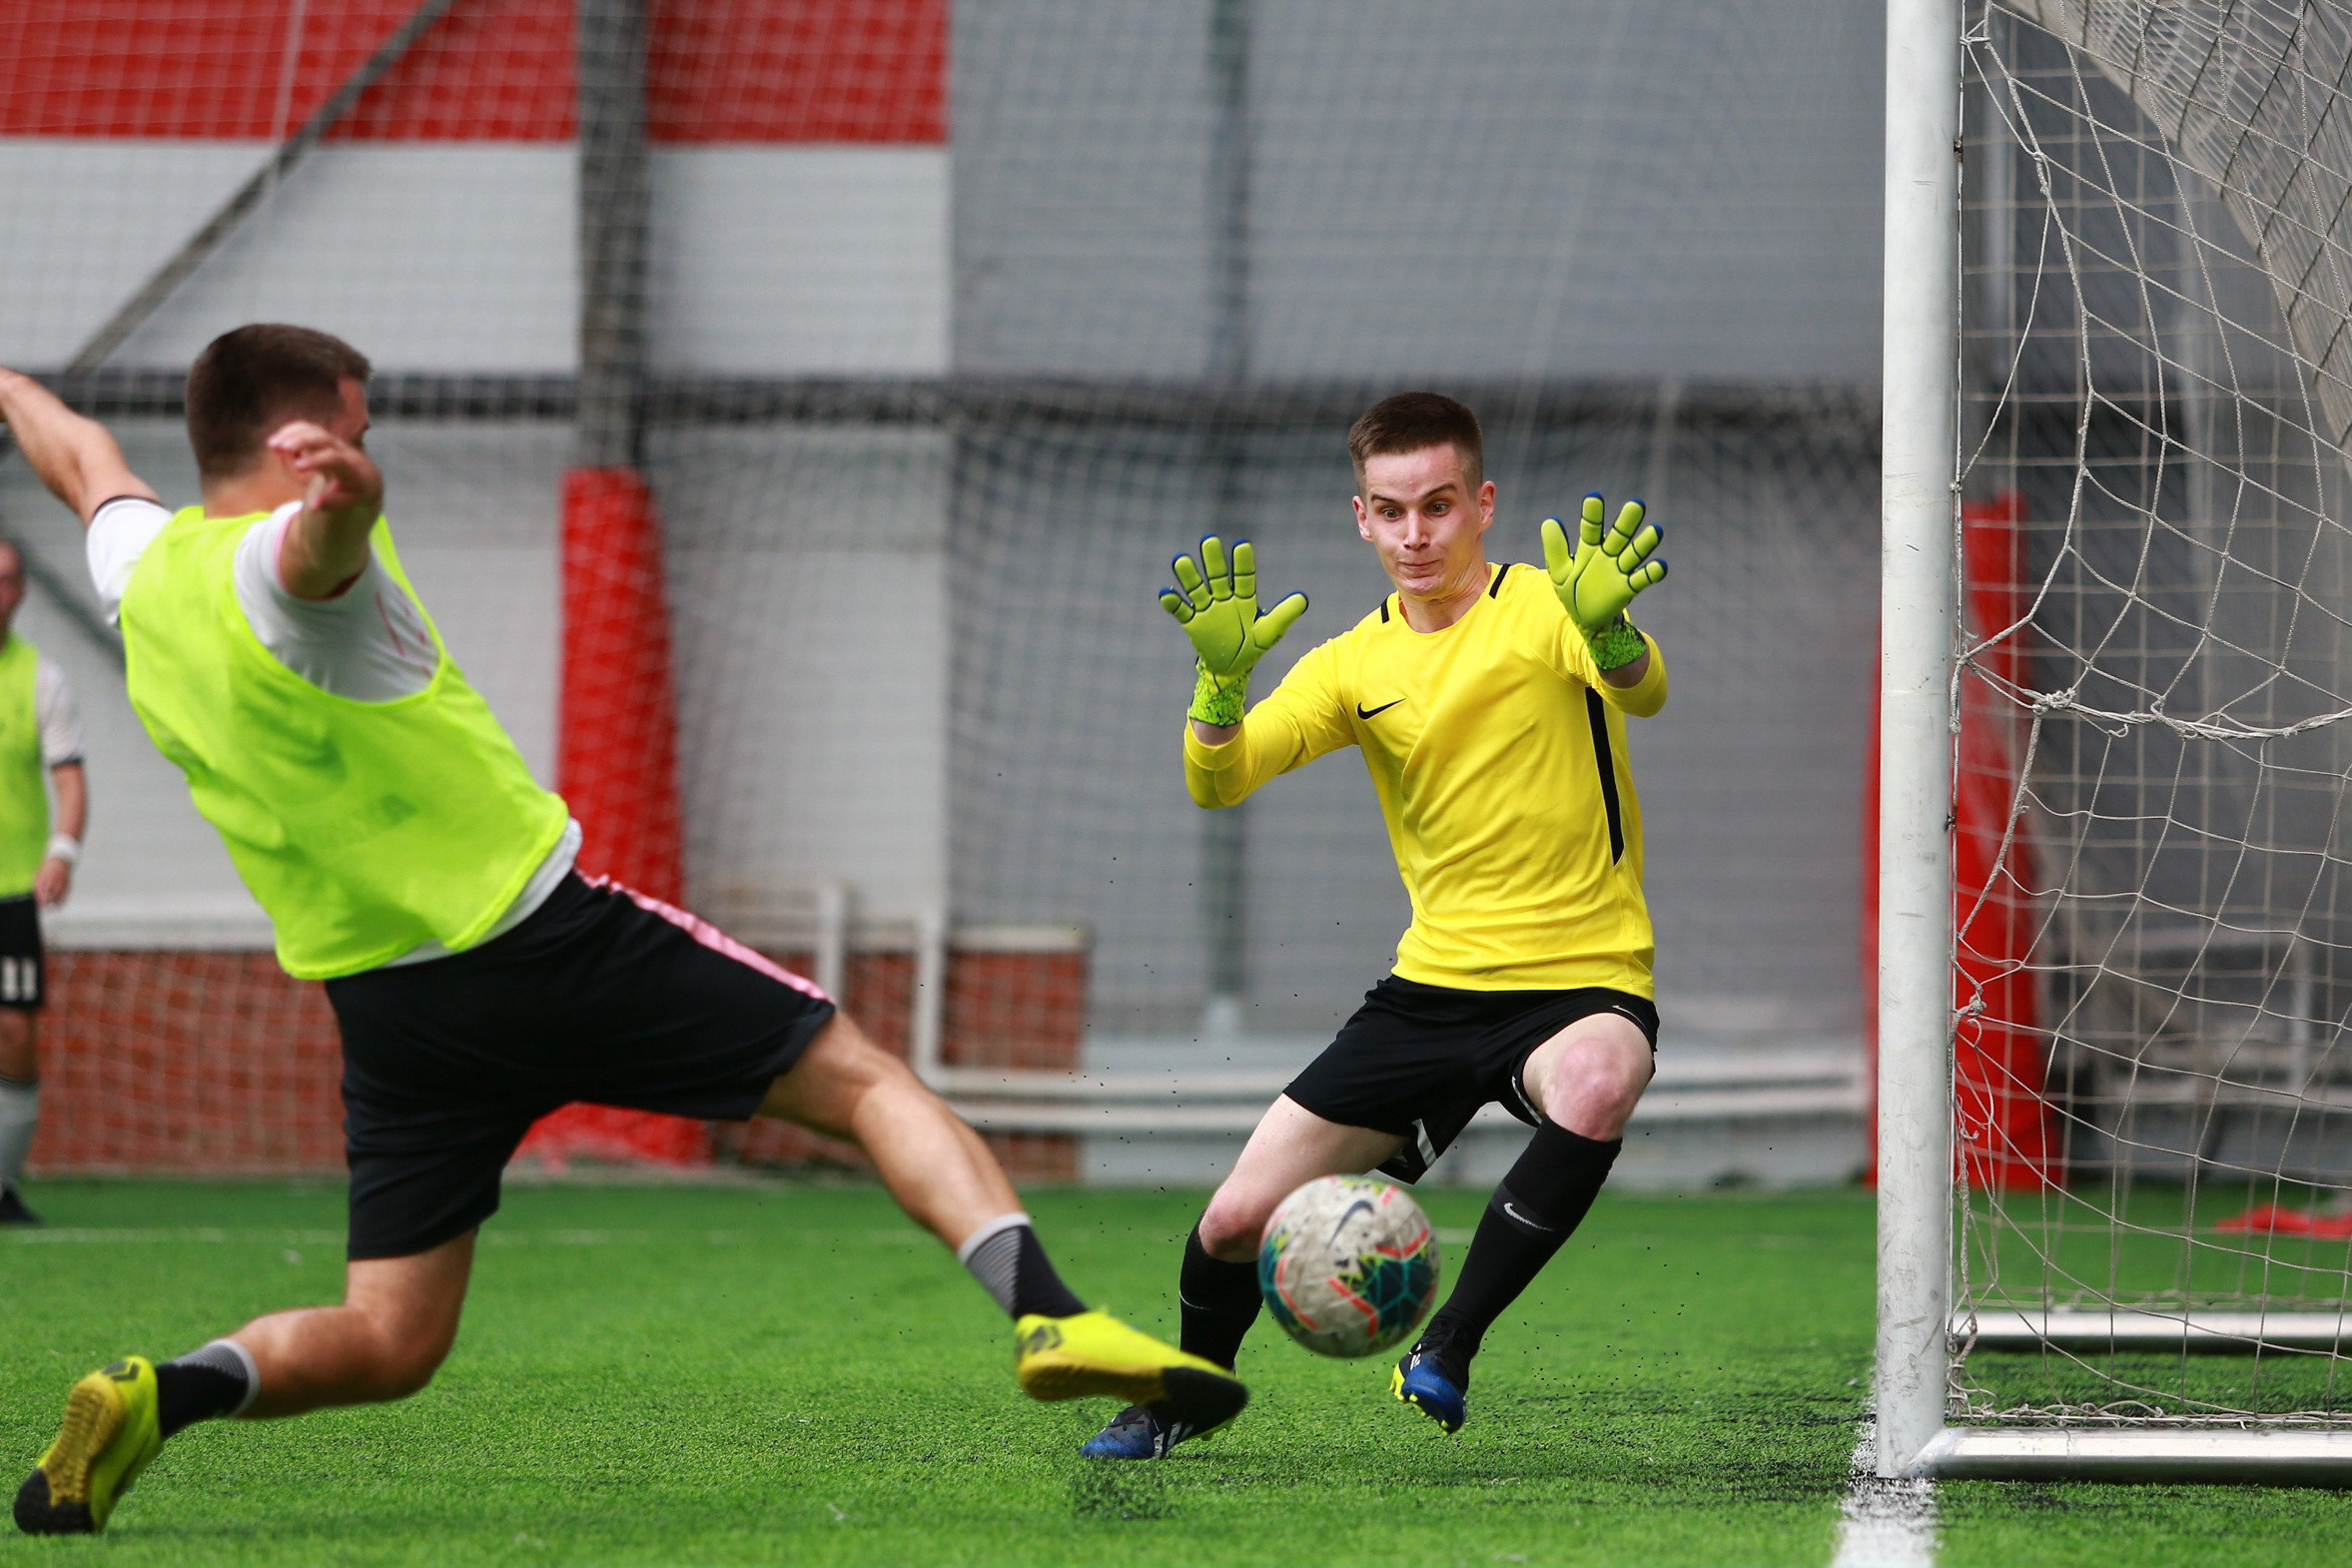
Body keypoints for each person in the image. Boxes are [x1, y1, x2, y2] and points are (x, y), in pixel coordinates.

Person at [0, 325, 1244, 1537]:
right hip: (549, 943)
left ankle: (160, 1393)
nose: (372, 449)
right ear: (306, 435)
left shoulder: (137, 566)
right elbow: (311, 558)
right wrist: (350, 502)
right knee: (866, 1082)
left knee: (390, 1335)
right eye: (361, 428)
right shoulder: (288, 562)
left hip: (394, 1014)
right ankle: (1048, 1313)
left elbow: (75, 450)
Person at [1085, 392, 1669, 1459]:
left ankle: (1447, 1345)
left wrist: (1615, 629)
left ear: (1482, 504)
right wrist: (1218, 686)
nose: (1415, 535)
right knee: (1230, 1221)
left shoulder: (1552, 606)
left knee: (1597, 1081)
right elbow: (1223, 780)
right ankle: (1184, 1394)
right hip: (1429, 993)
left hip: (1582, 978)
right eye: (1391, 511)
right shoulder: (1355, 663)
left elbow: (1644, 691)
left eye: (1438, 506)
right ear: (1360, 518)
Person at [0, 537, 89, 1227]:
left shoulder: (42, 680)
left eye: (6, 580)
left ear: (21, 591)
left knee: (15, 1037)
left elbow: (69, 779)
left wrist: (62, 851)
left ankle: (1, 1185)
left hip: (10, 893)